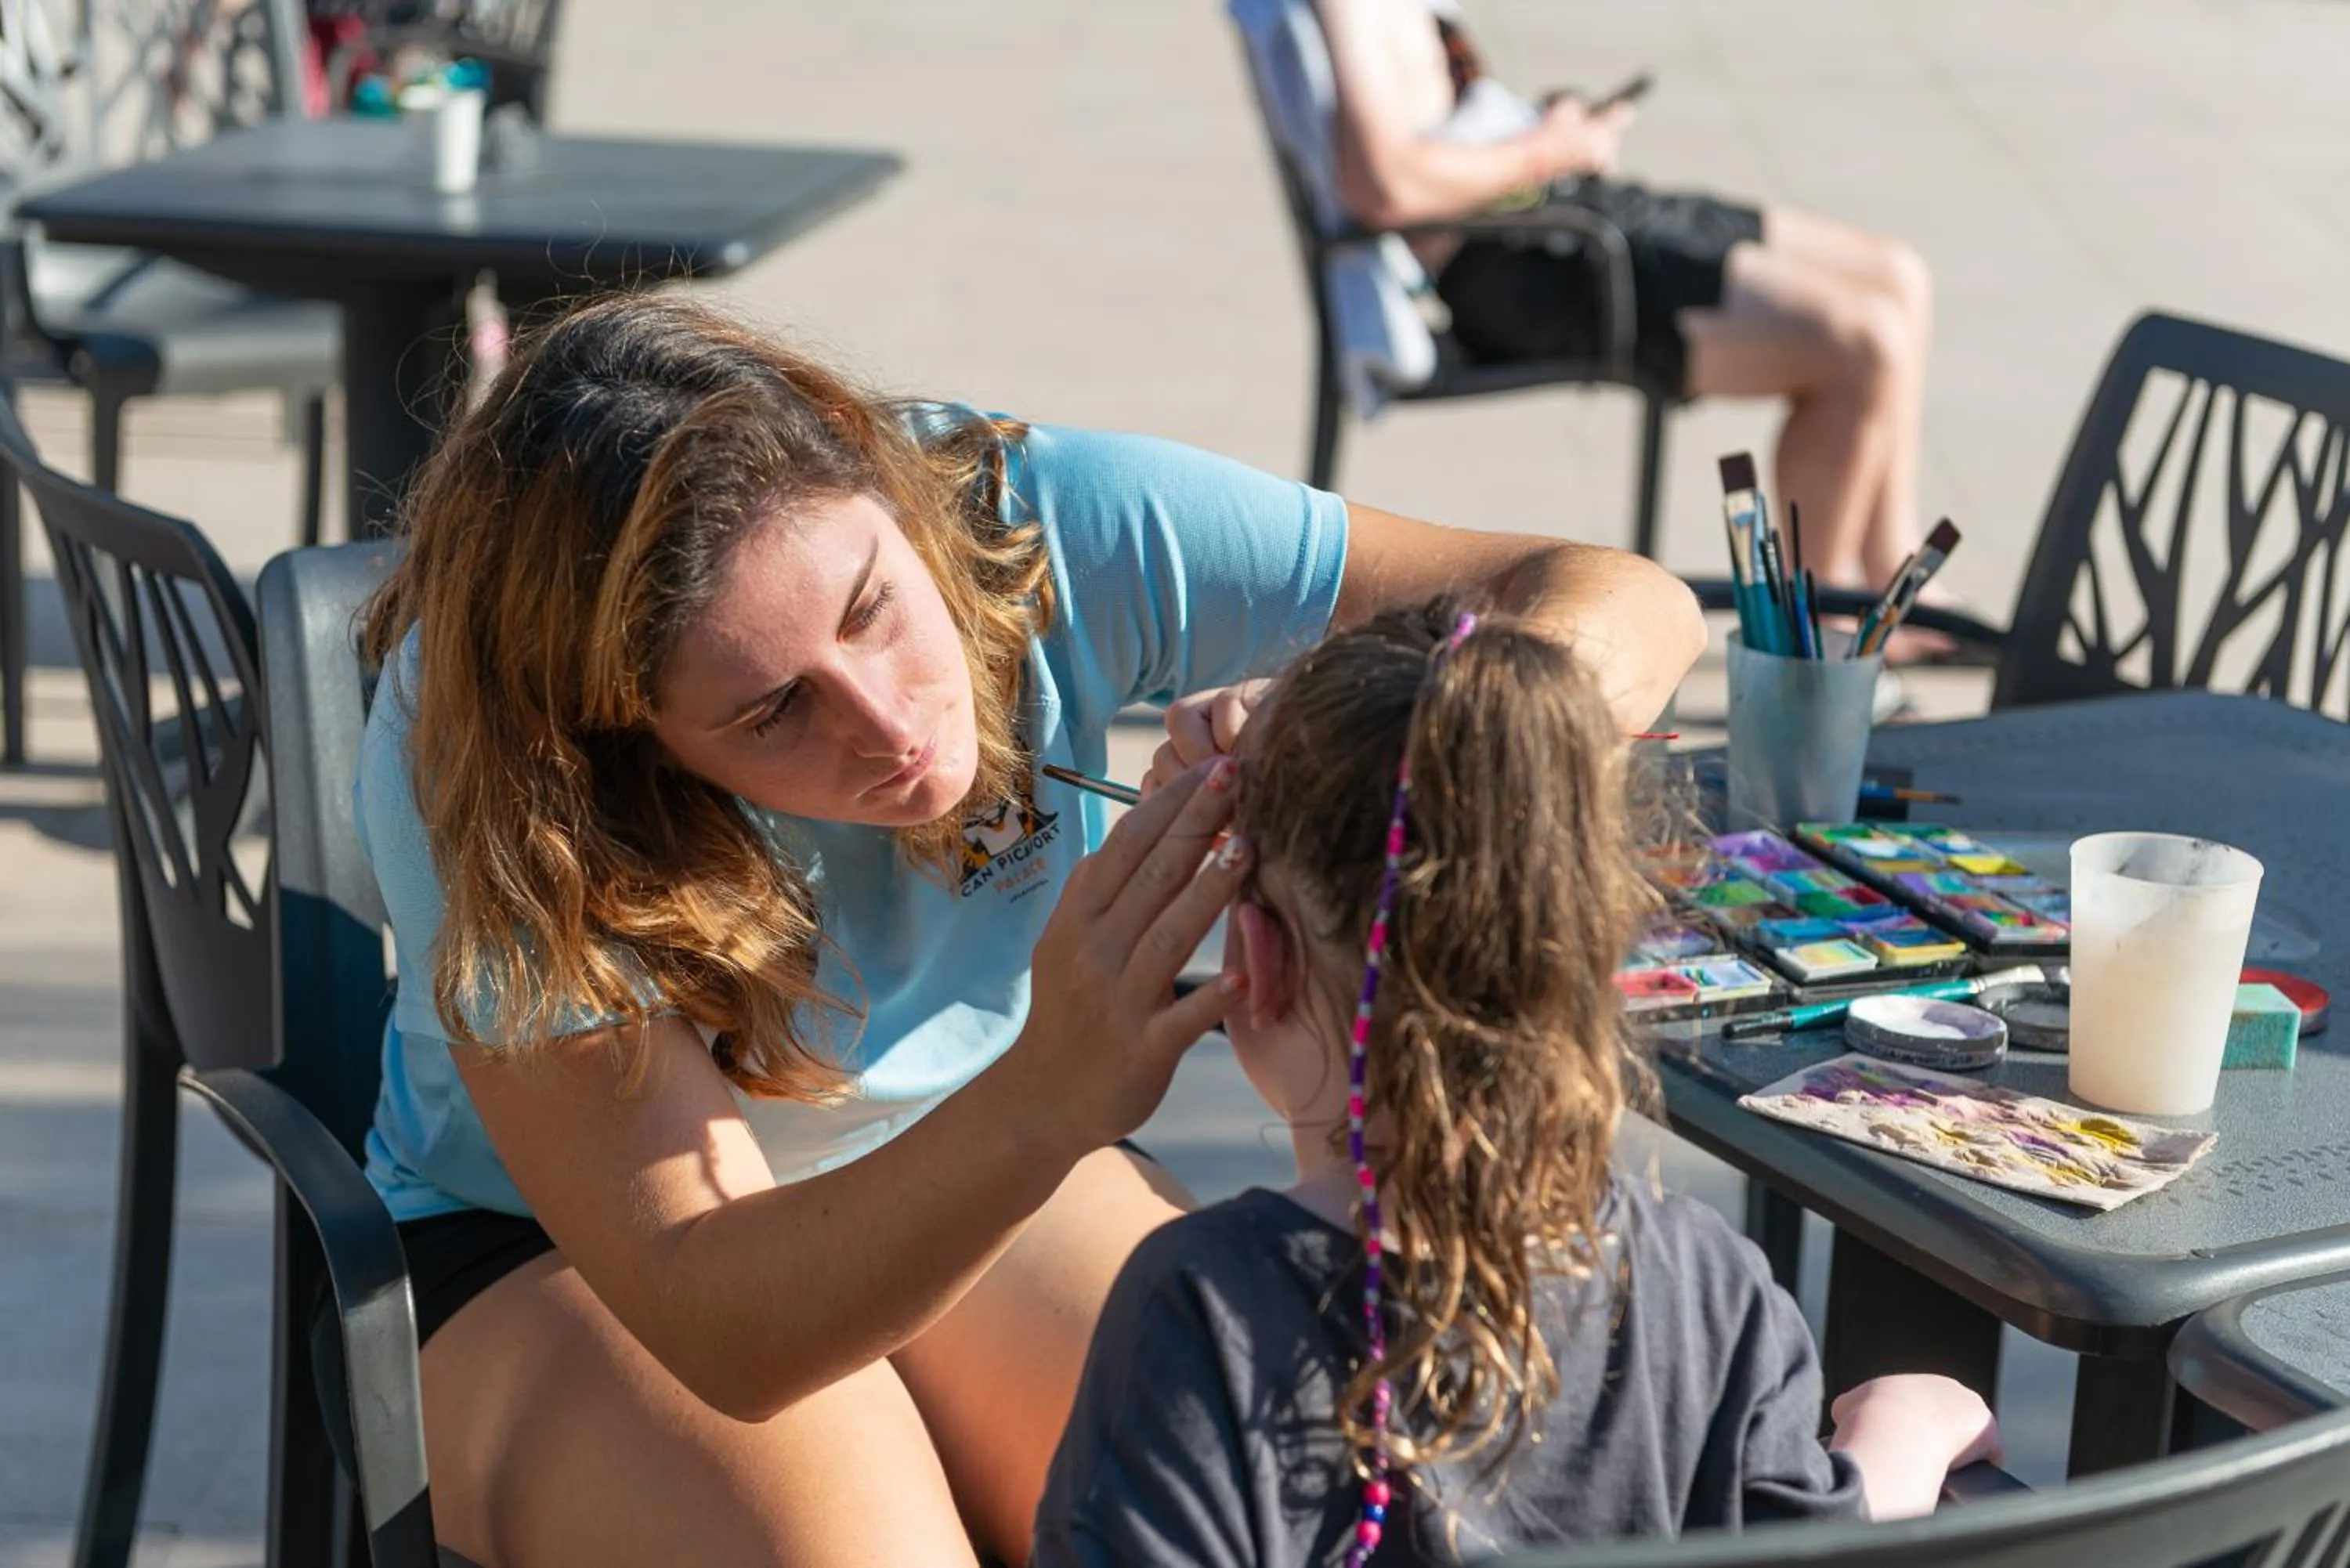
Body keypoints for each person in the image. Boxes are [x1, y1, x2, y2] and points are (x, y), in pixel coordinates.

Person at [345, 293, 1705, 1566]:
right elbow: (723, 1325)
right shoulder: (489, 762)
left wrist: (1406, 724)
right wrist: (1060, 1088)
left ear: (891, 490)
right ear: (630, 738)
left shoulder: (1020, 509)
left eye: (873, 609)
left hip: (984, 1134)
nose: (889, 722)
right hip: (561, 1254)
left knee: (1304, 1495)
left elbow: (1617, 596)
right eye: (773, 711)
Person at [1033, 602, 2000, 1566]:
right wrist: (1909, 1429)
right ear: (1603, 955)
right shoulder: (1709, 1296)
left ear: (1254, 955)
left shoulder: (1203, 1320)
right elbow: (1818, 1547)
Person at [1317, 0, 1936, 598]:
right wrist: (1550, 149)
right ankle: (1826, 628)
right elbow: (1384, 187)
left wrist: (1548, 131)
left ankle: (1894, 577)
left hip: (1557, 210)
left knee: (1898, 277)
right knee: (1862, 345)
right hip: (1524, 260)